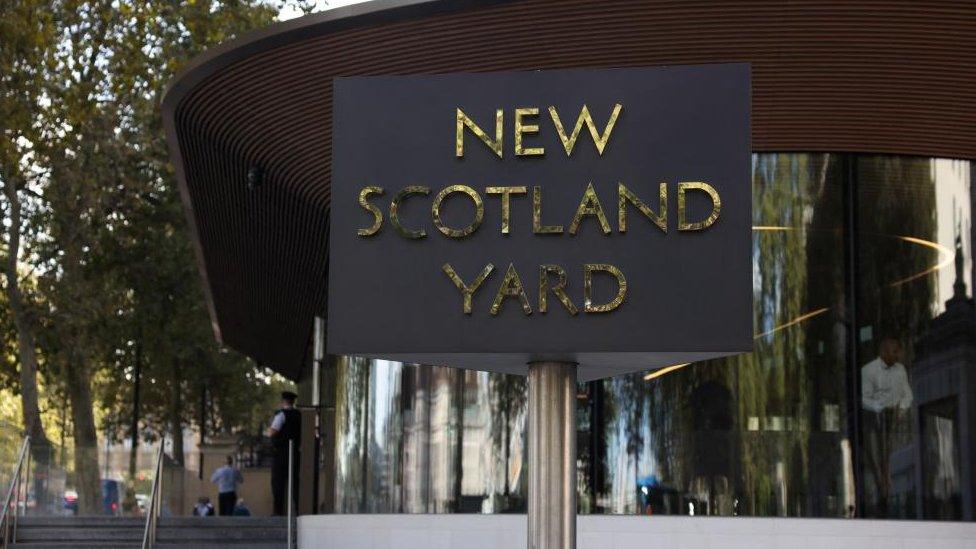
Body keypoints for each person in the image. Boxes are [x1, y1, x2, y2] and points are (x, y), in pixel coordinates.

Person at [860, 337, 914, 515]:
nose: (898, 355)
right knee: (877, 465)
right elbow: (864, 399)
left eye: (898, 351)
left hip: (897, 423)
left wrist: (901, 410)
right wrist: (879, 407)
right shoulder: (868, 371)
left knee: (896, 463)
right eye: (895, 351)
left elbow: (908, 395)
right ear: (884, 351)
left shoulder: (901, 371)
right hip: (876, 423)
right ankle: (880, 502)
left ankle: (893, 500)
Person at [267, 390, 301, 516]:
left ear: (282, 401)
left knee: (278, 483)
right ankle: (297, 509)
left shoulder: (281, 415)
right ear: (293, 401)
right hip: (295, 453)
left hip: (280, 454)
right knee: (295, 483)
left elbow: (272, 432)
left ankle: (278, 511)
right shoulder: (299, 415)